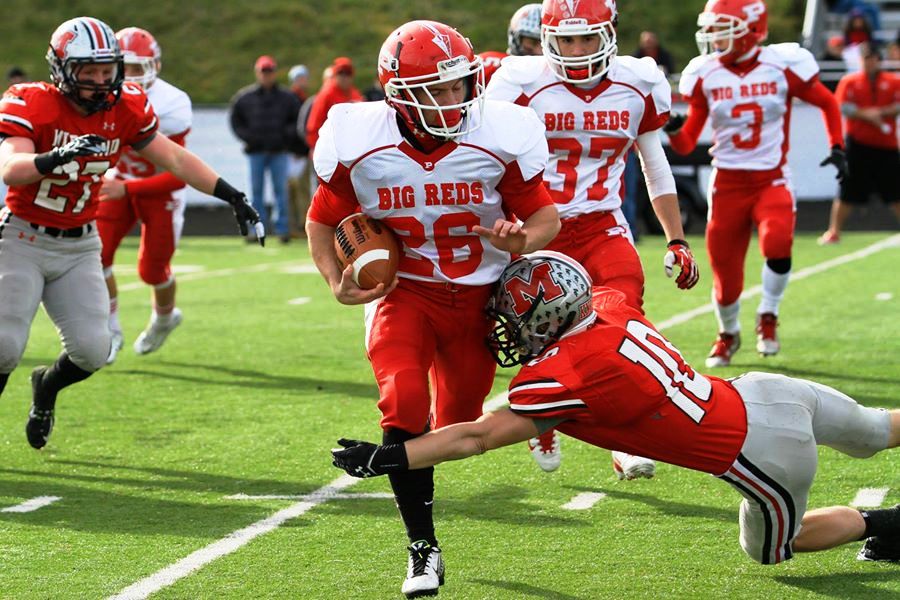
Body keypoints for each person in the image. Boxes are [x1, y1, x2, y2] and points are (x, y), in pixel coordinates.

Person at [333, 251, 900, 570]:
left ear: (547, 317)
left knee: (774, 550)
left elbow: (476, 437)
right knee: (878, 428)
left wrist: (391, 456)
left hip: (764, 455)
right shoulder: (608, 303)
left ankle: (887, 524)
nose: (510, 330)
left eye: (516, 319)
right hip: (766, 391)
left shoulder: (566, 373)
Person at [306, 20, 560, 598]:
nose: (453, 99)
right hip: (405, 292)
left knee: (454, 424)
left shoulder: (498, 133)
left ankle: (424, 489)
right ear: (398, 93)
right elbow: (322, 218)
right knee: (403, 401)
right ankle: (423, 547)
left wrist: (520, 239)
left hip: (479, 297)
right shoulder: (358, 138)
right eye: (436, 90)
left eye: (458, 85)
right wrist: (334, 279)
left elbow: (546, 218)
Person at [0, 16, 261, 449]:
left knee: (92, 351)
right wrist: (56, 157)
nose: (102, 81)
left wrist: (231, 194)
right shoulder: (32, 102)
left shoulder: (125, 107)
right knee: (4, 347)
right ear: (62, 70)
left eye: (108, 71)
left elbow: (175, 158)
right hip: (22, 238)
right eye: (90, 72)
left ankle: (46, 387)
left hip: (80, 243)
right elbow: (12, 169)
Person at [485, 0, 699, 476]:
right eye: (566, 40)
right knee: (538, 337)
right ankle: (541, 419)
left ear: (611, 33)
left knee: (626, 324)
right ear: (548, 40)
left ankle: (624, 442)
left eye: (587, 38)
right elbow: (489, 164)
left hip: (602, 223)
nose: (578, 50)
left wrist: (677, 239)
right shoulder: (519, 84)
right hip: (536, 229)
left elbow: (654, 164)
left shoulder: (637, 83)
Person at [665, 0, 846, 368]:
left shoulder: (782, 66)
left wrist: (837, 146)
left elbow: (828, 102)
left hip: (771, 178)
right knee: (726, 276)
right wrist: (672, 130)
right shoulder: (706, 73)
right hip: (727, 184)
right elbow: (686, 144)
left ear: (749, 30)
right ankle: (728, 333)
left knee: (777, 241)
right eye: (712, 28)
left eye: (722, 28)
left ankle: (768, 313)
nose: (713, 37)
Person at [96, 27, 192, 364]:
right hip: (118, 180)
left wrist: (127, 188)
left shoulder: (171, 104)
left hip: (157, 188)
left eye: (137, 67)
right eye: (123, 66)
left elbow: (178, 175)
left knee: (152, 270)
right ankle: (109, 329)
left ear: (155, 66)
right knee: (95, 257)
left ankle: (165, 318)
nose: (129, 75)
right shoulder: (98, 94)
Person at [819, 45, 900, 245]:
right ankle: (834, 231)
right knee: (847, 189)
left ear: (878, 60)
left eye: (872, 58)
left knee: (895, 191)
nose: (868, 63)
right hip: (858, 144)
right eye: (865, 59)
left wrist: (880, 113)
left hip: (886, 146)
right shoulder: (850, 81)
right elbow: (843, 106)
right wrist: (866, 114)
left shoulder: (893, 81)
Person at [229, 55, 301, 243]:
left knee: (281, 192)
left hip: (279, 151)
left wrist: (284, 137)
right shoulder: (245, 98)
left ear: (274, 73)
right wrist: (248, 137)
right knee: (255, 193)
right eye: (264, 72)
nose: (266, 75)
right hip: (256, 151)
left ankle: (282, 230)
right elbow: (235, 121)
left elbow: (296, 120)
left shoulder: (287, 98)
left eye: (269, 72)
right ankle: (256, 230)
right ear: (257, 73)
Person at [304, 56, 362, 153]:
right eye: (340, 73)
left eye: (347, 73)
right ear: (335, 75)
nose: (344, 77)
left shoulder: (356, 94)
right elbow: (314, 123)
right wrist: (315, 147)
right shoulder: (326, 94)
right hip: (328, 148)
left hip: (350, 148)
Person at [479, 4, 543, 86]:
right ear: (514, 38)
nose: (539, 51)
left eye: (544, 43)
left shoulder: (556, 74)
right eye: (532, 42)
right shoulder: (490, 64)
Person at [286, 64, 311, 238]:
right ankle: (292, 225)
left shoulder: (304, 99)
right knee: (291, 191)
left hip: (302, 151)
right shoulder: (289, 100)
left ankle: (303, 224)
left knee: (303, 190)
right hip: (292, 152)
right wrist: (293, 147)